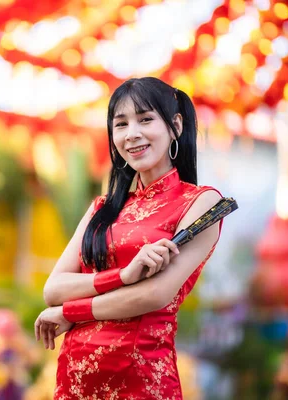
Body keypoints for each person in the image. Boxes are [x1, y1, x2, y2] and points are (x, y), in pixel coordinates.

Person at [34, 77, 225, 399]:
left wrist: (69, 312)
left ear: (175, 126)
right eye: (120, 124)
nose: (132, 134)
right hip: (75, 379)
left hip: (140, 378)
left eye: (145, 119)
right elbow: (54, 289)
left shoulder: (201, 203)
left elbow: (154, 295)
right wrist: (123, 275)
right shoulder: (102, 208)